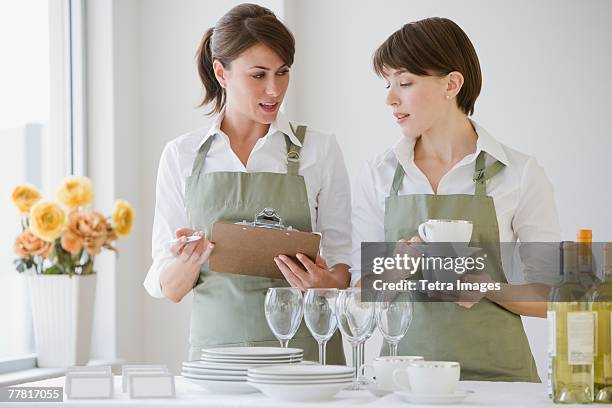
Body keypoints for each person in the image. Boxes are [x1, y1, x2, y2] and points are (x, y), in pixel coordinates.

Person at [351, 17, 560, 381]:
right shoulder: (379, 175)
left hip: (499, 382)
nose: (390, 98)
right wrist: (394, 269)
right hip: (402, 382)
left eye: (404, 82)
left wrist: (487, 287)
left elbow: (551, 297)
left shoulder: (518, 173)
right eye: (388, 85)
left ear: (451, 84)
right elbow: (360, 296)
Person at [144, 3, 350, 362]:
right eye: (258, 75)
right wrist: (190, 260)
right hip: (219, 359)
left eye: (282, 73)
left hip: (305, 357)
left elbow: (345, 266)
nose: (274, 90)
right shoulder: (182, 156)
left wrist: (324, 283)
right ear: (221, 73)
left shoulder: (319, 149)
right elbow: (171, 288)